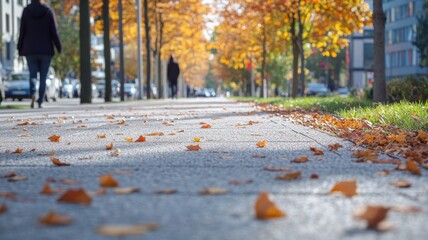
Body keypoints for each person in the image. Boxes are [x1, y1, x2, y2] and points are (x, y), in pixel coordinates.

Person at [17, 0, 61, 108]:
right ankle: (40, 101)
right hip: (46, 50)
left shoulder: (26, 11)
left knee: (32, 75)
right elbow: (53, 32)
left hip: (30, 50)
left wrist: (19, 47)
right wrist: (58, 47)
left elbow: (22, 30)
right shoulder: (48, 11)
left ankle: (33, 93)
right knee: (43, 78)